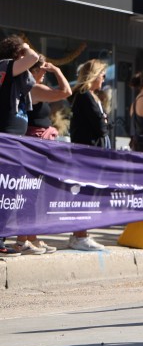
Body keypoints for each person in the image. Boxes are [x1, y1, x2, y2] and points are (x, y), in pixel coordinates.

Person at [12, 53, 72, 254]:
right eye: (43, 70)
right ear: (34, 70)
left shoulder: (32, 87)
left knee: (35, 192)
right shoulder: (33, 88)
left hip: (37, 143)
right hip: (34, 143)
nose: (45, 73)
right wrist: (57, 70)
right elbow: (66, 91)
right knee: (29, 192)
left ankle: (32, 237)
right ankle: (22, 239)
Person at [65, 59, 115, 252]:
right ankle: (79, 235)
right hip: (86, 154)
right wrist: (104, 121)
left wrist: (104, 121)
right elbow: (101, 127)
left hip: (93, 153)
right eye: (102, 74)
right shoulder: (84, 95)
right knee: (84, 194)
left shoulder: (93, 96)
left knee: (90, 194)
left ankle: (82, 233)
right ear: (94, 75)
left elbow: (103, 124)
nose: (104, 79)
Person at [0, 38, 42, 256]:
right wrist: (24, 46)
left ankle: (1, 238)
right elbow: (34, 57)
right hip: (6, 140)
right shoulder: (6, 65)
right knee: (3, 191)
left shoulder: (18, 74)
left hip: (16, 140)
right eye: (21, 53)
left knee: (9, 191)